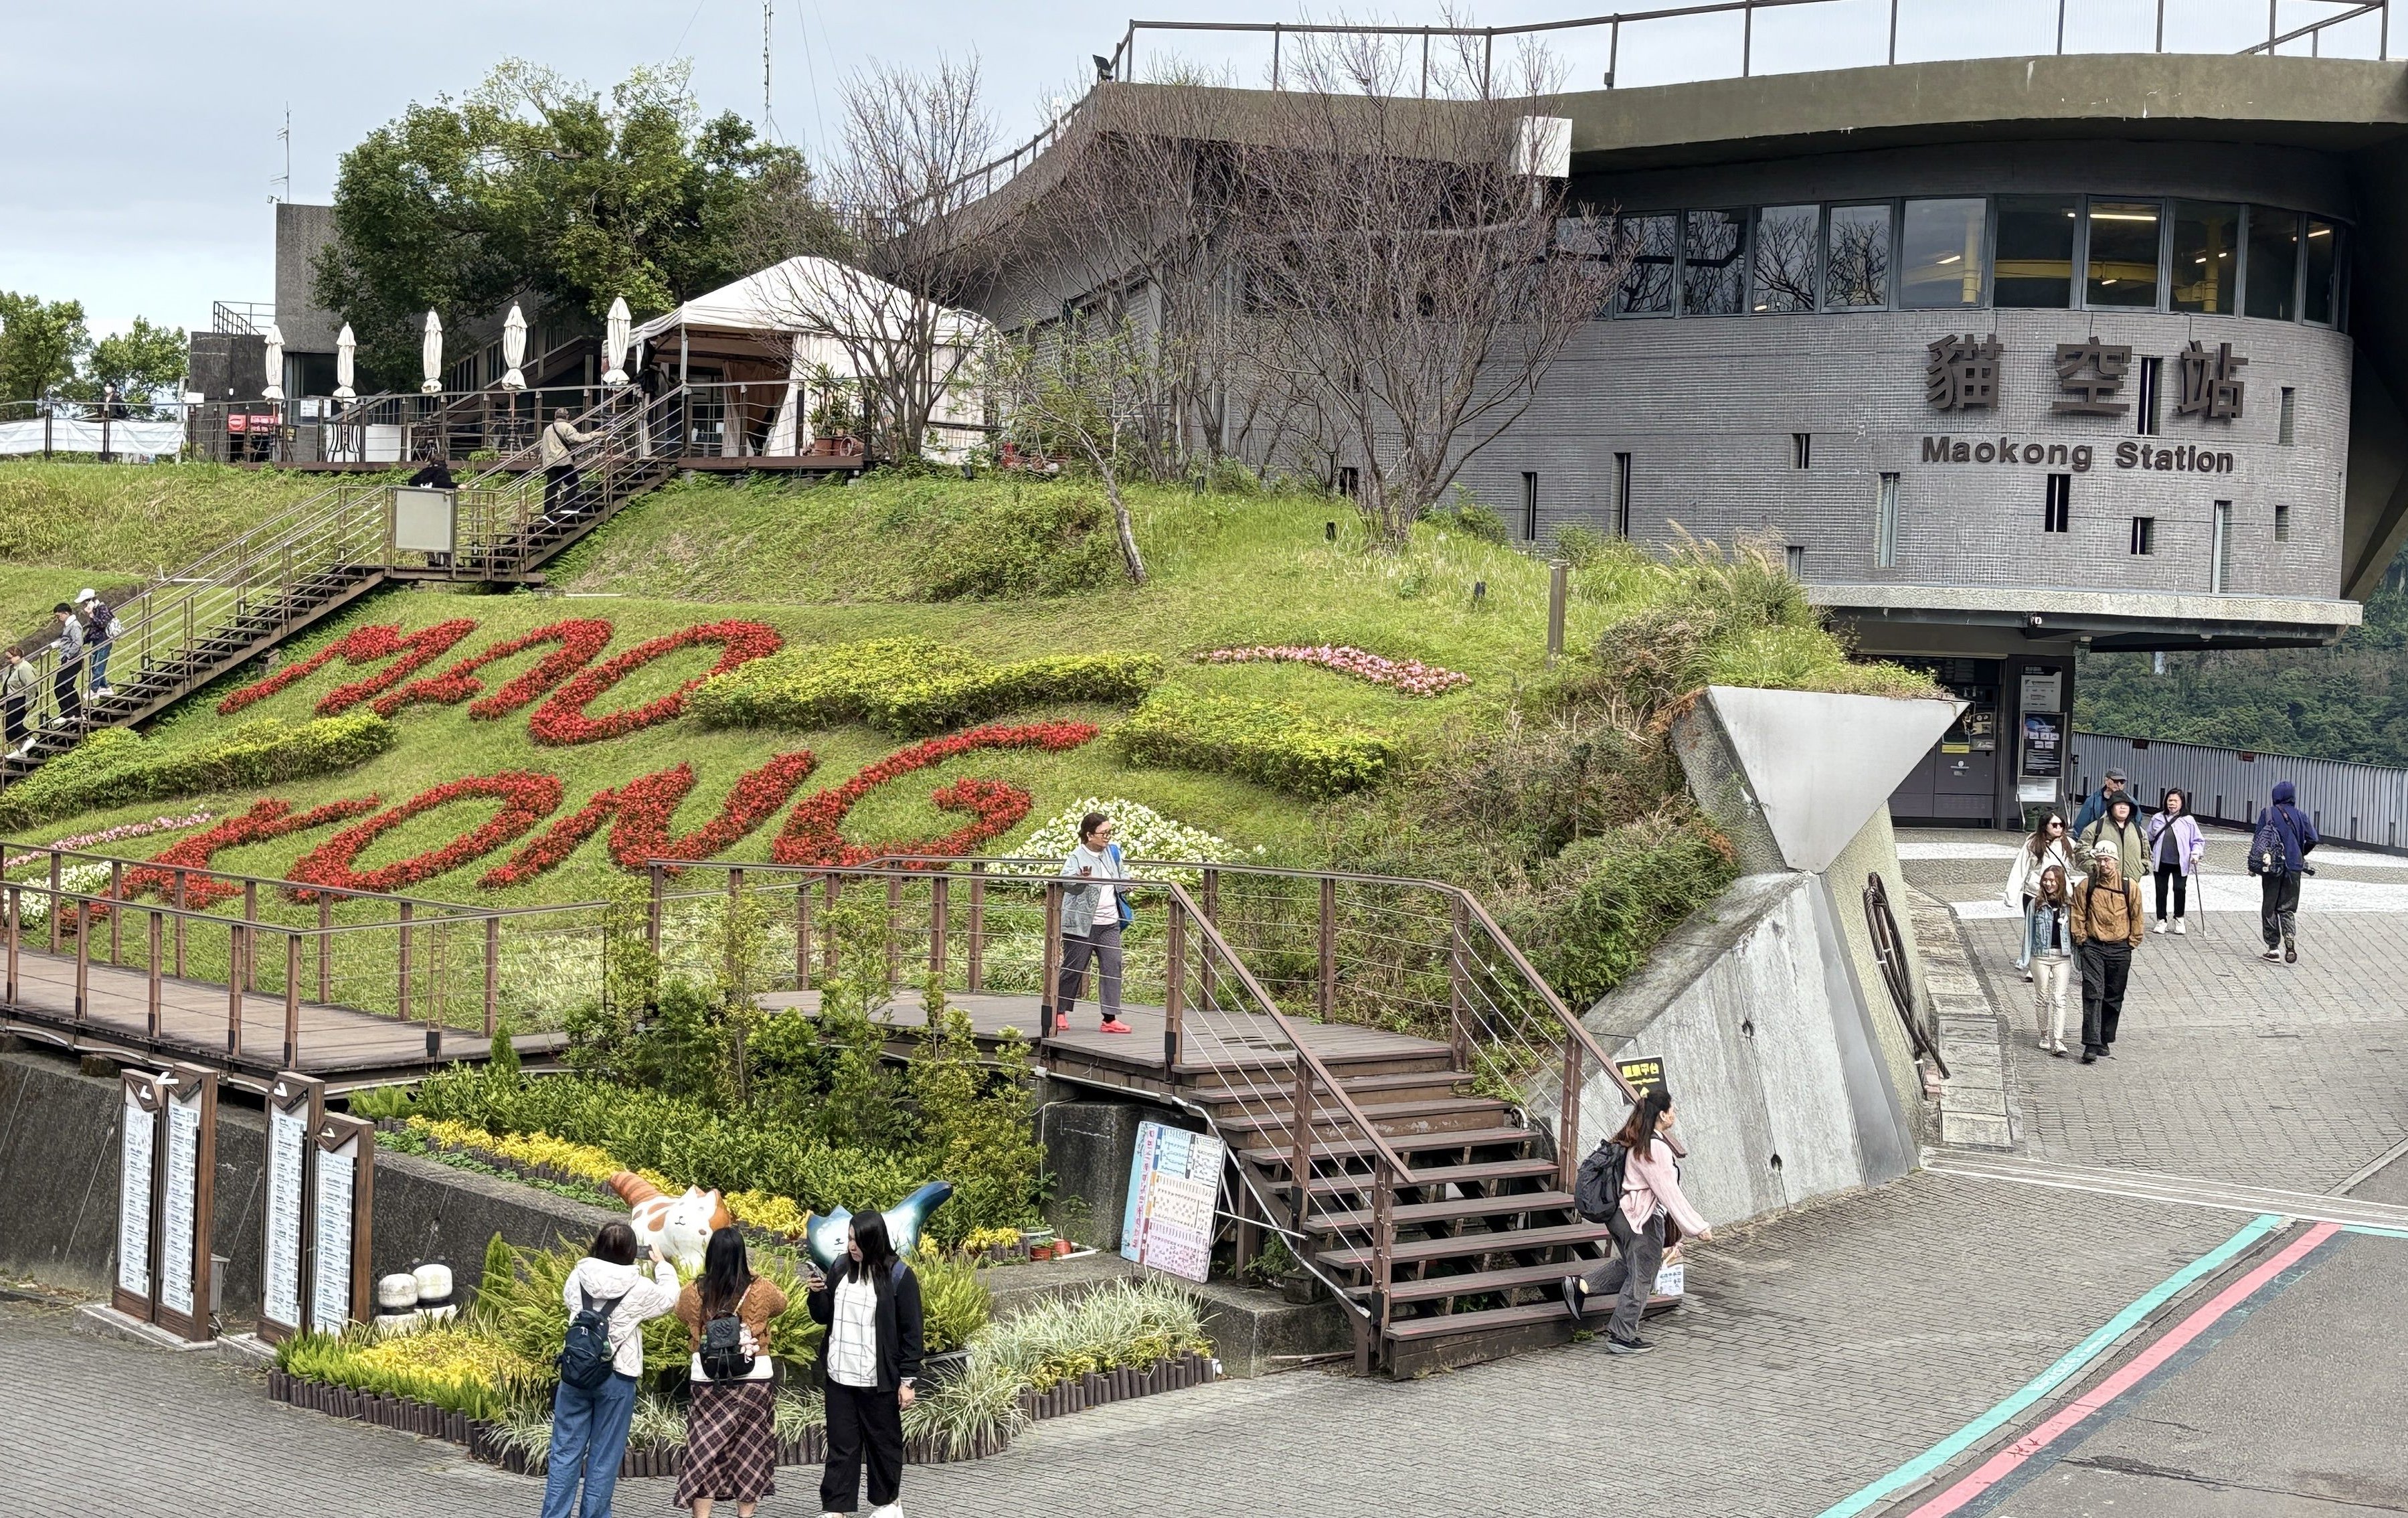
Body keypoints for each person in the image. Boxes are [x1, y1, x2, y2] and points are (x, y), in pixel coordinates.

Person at [1555, 1084, 1711, 1355]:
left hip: (1621, 1214)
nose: (1675, 1114)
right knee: (1643, 1276)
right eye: (1672, 1110)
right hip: (1640, 1219)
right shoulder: (1654, 1148)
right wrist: (1697, 1227)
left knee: (1631, 1266)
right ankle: (1622, 1335)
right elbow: (1670, 1193)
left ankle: (1581, 1285)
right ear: (1662, 1115)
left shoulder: (1636, 1139)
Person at [543, 1221, 679, 1518]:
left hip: (576, 1372)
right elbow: (670, 1300)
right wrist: (662, 1266)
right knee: (604, 1456)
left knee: (564, 1452)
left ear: (597, 1245)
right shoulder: (639, 1287)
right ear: (631, 1252)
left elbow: (569, 1302)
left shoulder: (578, 1276)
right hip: (617, 1377)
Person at [808, 1209, 923, 1518]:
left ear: (874, 1240)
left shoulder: (899, 1276)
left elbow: (912, 1331)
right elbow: (823, 1316)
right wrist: (816, 1295)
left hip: (878, 1379)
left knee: (883, 1444)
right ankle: (836, 1507)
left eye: (857, 1241)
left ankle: (889, 1504)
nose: (851, 1246)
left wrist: (908, 1380)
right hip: (840, 1375)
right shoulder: (839, 1268)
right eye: (849, 1239)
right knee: (841, 1445)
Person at [675, 1228, 788, 1518]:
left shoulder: (694, 1291)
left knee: (705, 1447)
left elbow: (680, 1313)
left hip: (708, 1378)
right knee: (750, 1447)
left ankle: (702, 1516)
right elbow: (782, 1303)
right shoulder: (760, 1288)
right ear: (741, 1255)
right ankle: (745, 1516)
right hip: (754, 1377)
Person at [1055, 810, 1134, 1035]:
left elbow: (1121, 874)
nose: (1108, 837)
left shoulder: (1113, 852)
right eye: (1103, 833)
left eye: (1110, 832)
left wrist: (1127, 884)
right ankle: (1058, 1011)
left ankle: (1110, 1018)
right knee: (1074, 968)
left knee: (1113, 966)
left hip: (1110, 921)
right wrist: (1080, 879)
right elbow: (1066, 883)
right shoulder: (1076, 857)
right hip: (1081, 922)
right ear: (1089, 835)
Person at [2070, 845, 2146, 1064]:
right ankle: (2091, 1043)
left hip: (2120, 947)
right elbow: (2078, 913)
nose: (2103, 864)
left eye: (2108, 860)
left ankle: (2105, 1037)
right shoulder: (2087, 885)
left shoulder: (2129, 886)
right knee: (2093, 993)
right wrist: (2081, 938)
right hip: (2094, 946)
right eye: (2100, 860)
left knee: (2114, 996)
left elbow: (2137, 915)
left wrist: (2133, 941)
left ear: (2116, 861)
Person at [2251, 780, 2320, 965]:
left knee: (2270, 907)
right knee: (2287, 908)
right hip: (2294, 867)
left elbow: (2259, 840)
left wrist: (2254, 865)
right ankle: (2289, 939)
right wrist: (2299, 852)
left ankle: (2273, 948)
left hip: (2273, 867)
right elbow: (2313, 838)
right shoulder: (2300, 815)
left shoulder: (2268, 813)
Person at [2002, 813, 2077, 981]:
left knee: (2055, 930)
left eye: (2061, 825)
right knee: (2036, 929)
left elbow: (2079, 862)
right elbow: (2020, 868)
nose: (2059, 828)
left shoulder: (2068, 843)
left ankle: (2051, 964)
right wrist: (2011, 894)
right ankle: (2034, 966)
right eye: (2055, 825)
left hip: (2059, 894)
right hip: (2035, 892)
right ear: (2045, 826)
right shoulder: (2033, 843)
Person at [2027, 864, 2077, 1056]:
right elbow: (2028, 932)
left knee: (2059, 998)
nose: (2049, 884)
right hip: (2040, 955)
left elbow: (2074, 932)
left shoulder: (2069, 905)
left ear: (2060, 883)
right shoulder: (2036, 904)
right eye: (2046, 880)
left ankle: (2058, 1040)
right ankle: (2044, 1034)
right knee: (2042, 997)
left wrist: (2078, 957)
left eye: (2053, 881)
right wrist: (2025, 958)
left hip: (2062, 955)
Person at [2144, 787, 2207, 934]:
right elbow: (2148, 838)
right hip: (2161, 861)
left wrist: (2196, 854)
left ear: (2182, 803)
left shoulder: (2188, 820)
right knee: (2161, 890)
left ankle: (2179, 918)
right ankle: (2161, 920)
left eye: (2175, 801)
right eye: (2170, 800)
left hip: (2181, 863)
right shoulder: (2157, 818)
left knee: (2179, 889)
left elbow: (2198, 840)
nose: (2172, 803)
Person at [538, 407, 598, 523]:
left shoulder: (548, 429)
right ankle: (566, 506)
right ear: (567, 417)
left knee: (552, 488)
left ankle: (547, 513)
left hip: (550, 463)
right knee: (574, 483)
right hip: (563, 462)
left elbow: (542, 447)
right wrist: (595, 435)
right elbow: (578, 439)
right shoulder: (567, 427)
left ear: (555, 416)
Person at [2079, 792, 2148, 888]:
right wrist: (2096, 868)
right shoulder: (2095, 828)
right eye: (2119, 804)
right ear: (2111, 808)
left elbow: (2147, 854)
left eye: (2126, 805)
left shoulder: (2139, 831)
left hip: (2131, 886)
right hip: (2102, 886)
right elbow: (2081, 851)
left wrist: (2143, 868)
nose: (2123, 807)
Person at [74, 588, 118, 699]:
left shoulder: (102, 608)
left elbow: (103, 624)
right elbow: (94, 629)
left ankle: (93, 689)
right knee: (95, 665)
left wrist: (92, 615)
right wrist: (83, 641)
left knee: (99, 665)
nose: (84, 606)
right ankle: (105, 687)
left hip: (105, 640)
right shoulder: (96, 610)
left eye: (85, 603)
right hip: (97, 641)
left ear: (90, 601)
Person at [48, 603, 83, 728]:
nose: (58, 619)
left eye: (59, 616)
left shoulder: (74, 626)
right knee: (66, 686)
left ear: (66, 613)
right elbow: (67, 640)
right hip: (70, 660)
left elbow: (78, 643)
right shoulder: (70, 626)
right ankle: (73, 712)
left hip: (73, 660)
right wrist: (56, 645)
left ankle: (70, 712)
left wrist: (68, 655)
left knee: (61, 686)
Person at [2071, 767, 2130, 835]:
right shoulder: (2093, 800)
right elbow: (2080, 826)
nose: (2119, 785)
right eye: (2116, 781)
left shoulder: (2131, 802)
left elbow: (2136, 824)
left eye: (2122, 782)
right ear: (2106, 781)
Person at [3, 649, 35, 758]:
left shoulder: (24, 668)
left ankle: (28, 737)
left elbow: (32, 686)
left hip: (22, 697)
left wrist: (29, 703)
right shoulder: (10, 668)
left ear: (18, 656)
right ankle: (20, 748)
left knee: (11, 720)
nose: (8, 660)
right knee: (8, 723)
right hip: (11, 697)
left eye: (10, 657)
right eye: (7, 658)